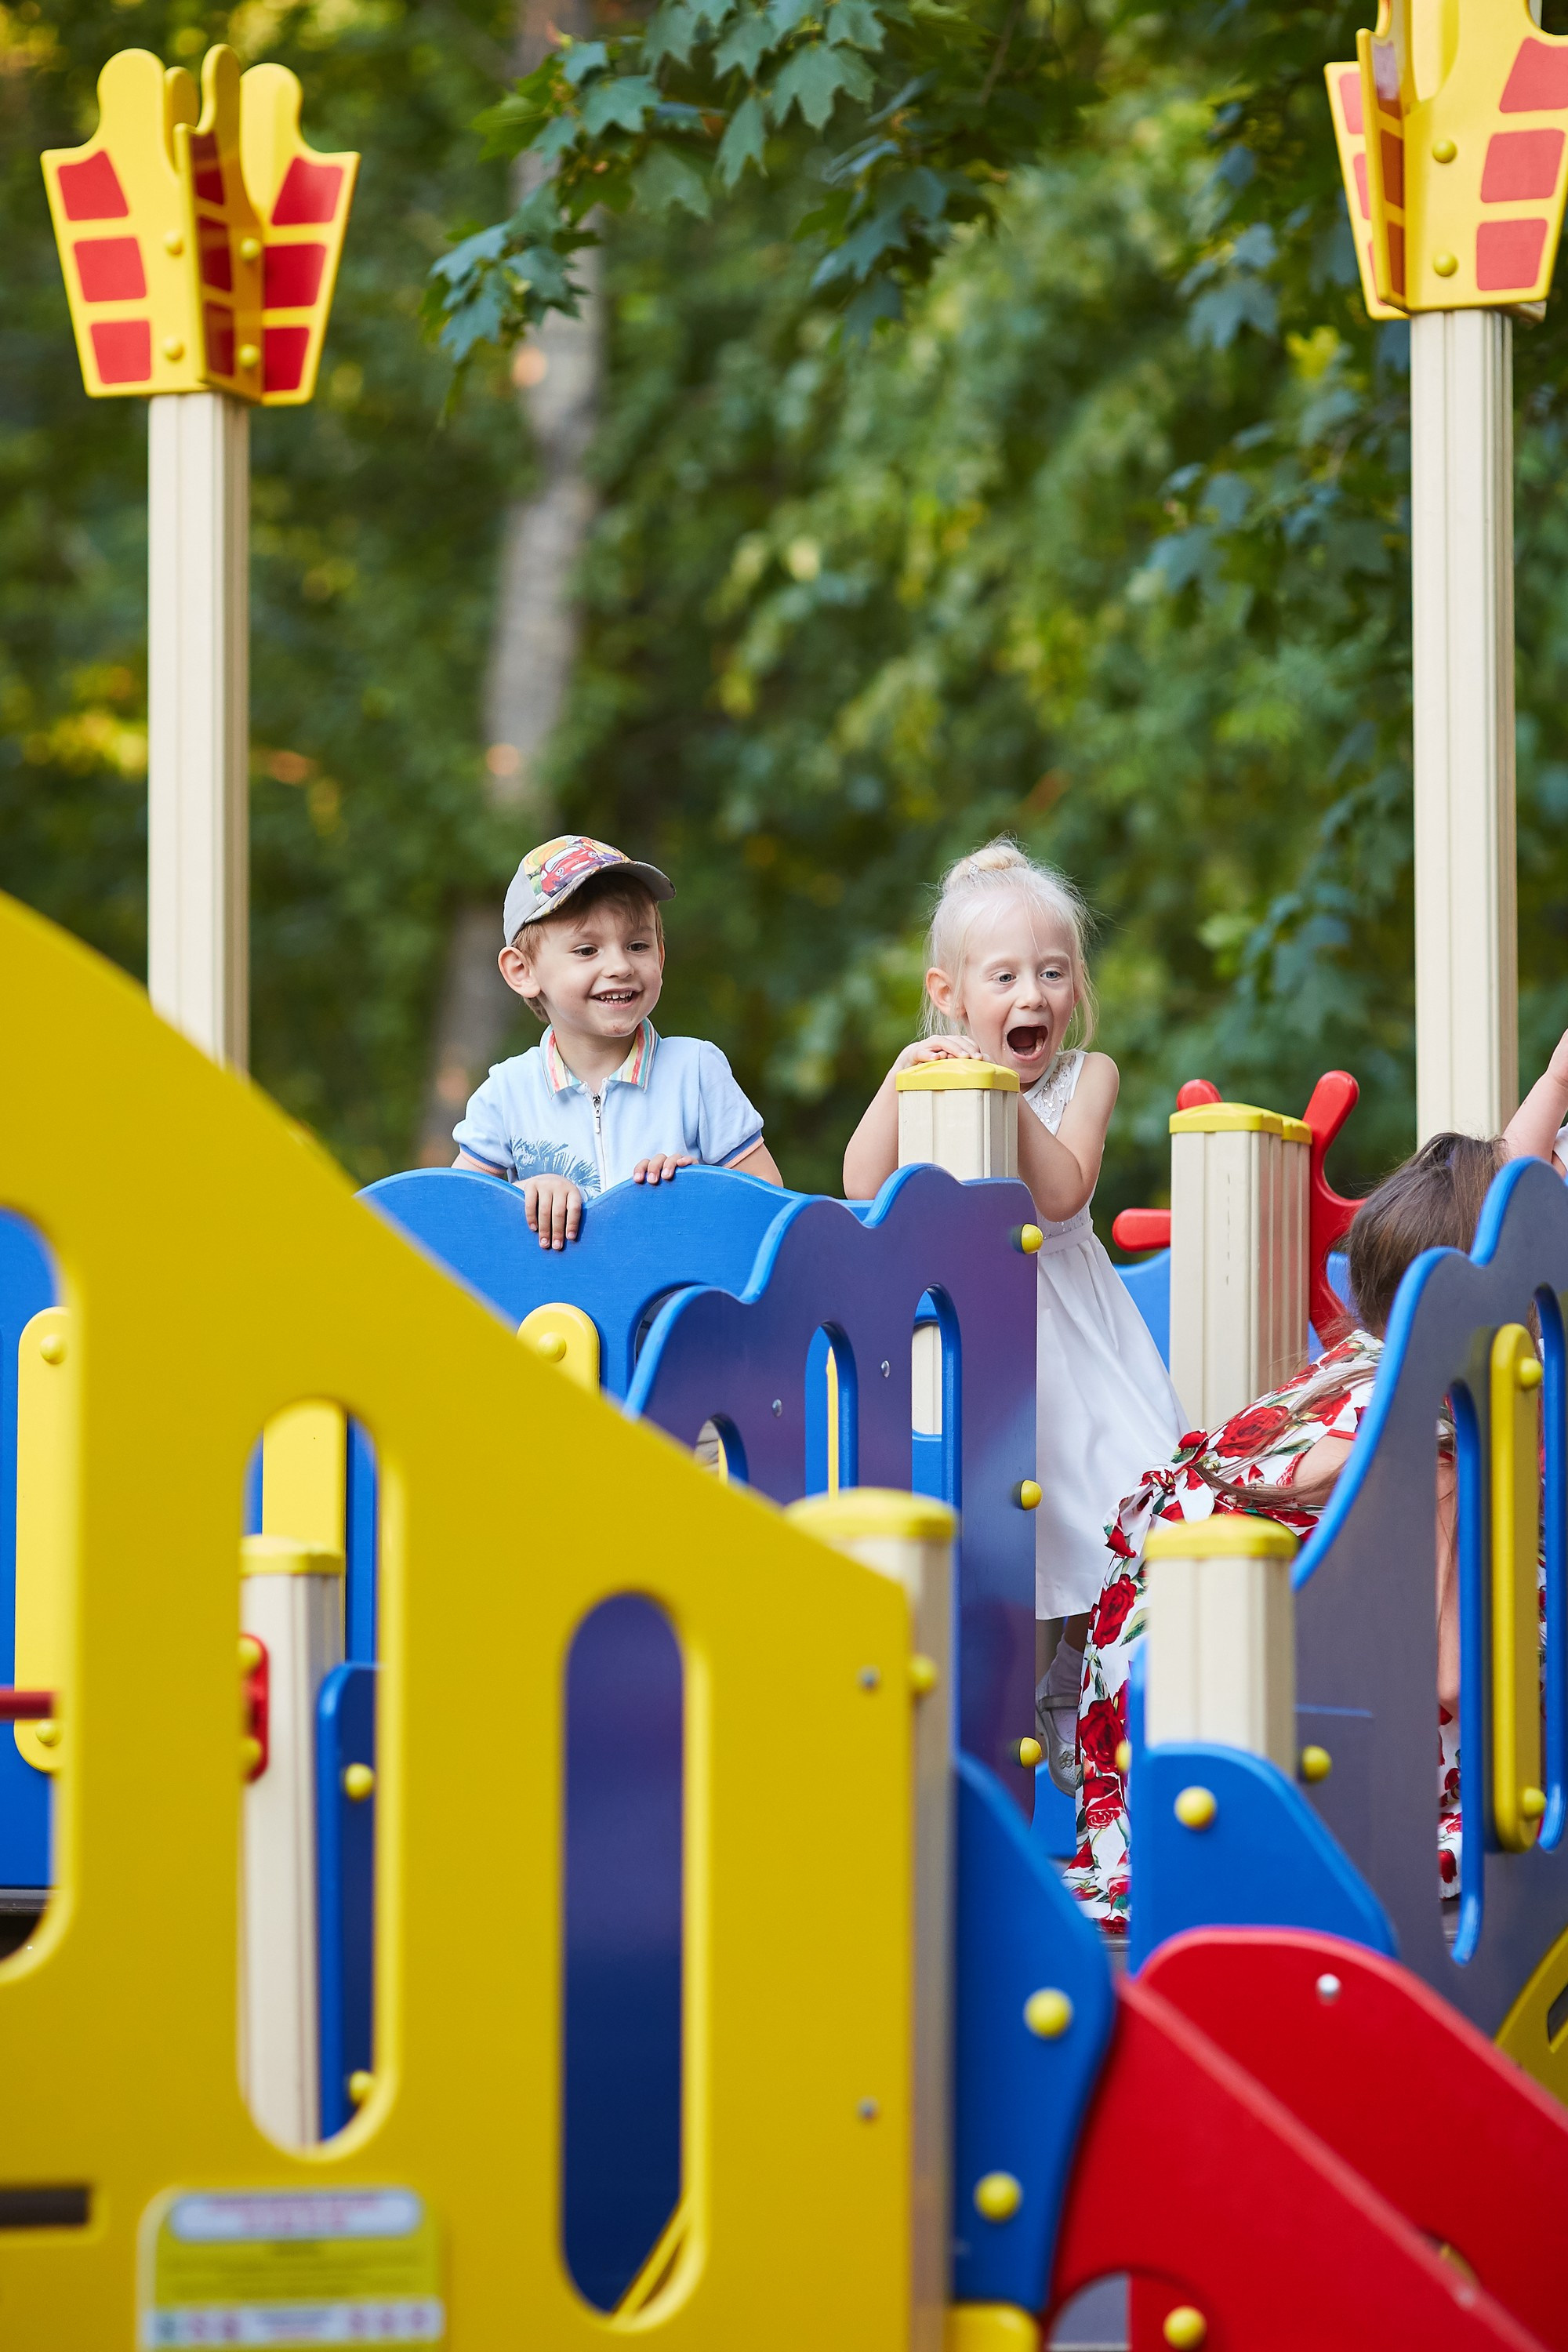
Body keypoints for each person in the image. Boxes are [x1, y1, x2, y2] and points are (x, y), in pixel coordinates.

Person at [1066, 1038, 1568, 1933]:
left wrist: (1556, 1085)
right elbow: (1454, 1668)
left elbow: (1501, 1215)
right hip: (1307, 1774)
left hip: (1156, 1763)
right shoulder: (1444, 1443)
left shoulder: (1337, 1385)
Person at [842, 838, 1186, 1790]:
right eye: (1004, 977)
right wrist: (904, 1075)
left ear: (1075, 986)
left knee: (1114, 1498)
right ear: (949, 993)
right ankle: (1001, 1730)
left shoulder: (1090, 1075)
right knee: (1007, 1532)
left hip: (1067, 1330)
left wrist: (1002, 1095)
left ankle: (1080, 1677)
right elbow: (860, 1183)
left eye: (1052, 972)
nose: (1031, 996)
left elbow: (1066, 1193)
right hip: (969, 1337)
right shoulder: (930, 1073)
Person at [453, 834, 782, 1246]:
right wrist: (524, 1198)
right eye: (587, 949)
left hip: (679, 1309)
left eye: (637, 945)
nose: (620, 965)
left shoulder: (696, 1071)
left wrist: (700, 1189)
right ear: (523, 971)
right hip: (553, 1310)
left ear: (660, 956)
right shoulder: (506, 1094)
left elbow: (771, 1208)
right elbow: (456, 1224)